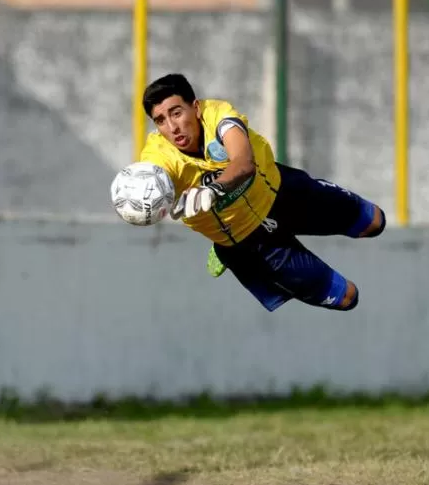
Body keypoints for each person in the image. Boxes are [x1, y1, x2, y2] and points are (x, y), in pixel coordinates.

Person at [138, 73, 385, 312]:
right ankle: (223, 249)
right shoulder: (158, 155)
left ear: (196, 108)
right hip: (248, 242)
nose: (172, 127)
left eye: (176, 113)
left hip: (282, 193)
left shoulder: (218, 115)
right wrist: (141, 199)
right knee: (347, 298)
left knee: (374, 222)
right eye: (160, 120)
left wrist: (214, 190)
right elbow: (149, 179)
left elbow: (243, 163)